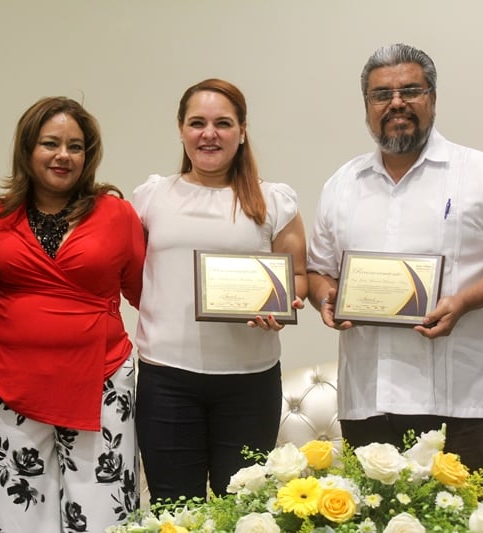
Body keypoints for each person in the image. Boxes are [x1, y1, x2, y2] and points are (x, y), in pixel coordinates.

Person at [307, 43, 483, 474]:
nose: (396, 103)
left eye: (411, 91)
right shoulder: (343, 184)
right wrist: (327, 297)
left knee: (459, 512)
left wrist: (464, 302)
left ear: (432, 99)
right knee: (368, 512)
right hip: (366, 397)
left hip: (457, 398)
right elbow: (319, 270)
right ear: (367, 106)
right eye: (382, 94)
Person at [0, 96, 145, 532]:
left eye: (75, 146)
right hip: (9, 385)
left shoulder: (118, 214)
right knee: (13, 516)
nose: (63, 155)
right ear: (27, 149)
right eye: (51, 143)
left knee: (103, 516)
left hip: (101, 381)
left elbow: (148, 293)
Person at [134, 78, 307, 503]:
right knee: (174, 509)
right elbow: (126, 273)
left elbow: (298, 276)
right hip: (167, 380)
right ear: (181, 129)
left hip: (249, 383)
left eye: (223, 123)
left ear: (242, 131)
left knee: (246, 509)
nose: (209, 134)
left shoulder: (274, 200)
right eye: (197, 123)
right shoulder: (152, 197)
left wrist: (283, 308)